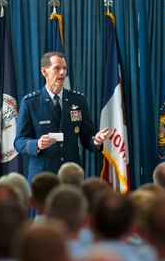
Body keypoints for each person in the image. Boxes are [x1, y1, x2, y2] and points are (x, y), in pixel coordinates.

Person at [14, 52, 109, 182]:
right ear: (44, 71)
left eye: (64, 68)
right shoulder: (30, 102)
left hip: (72, 175)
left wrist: (96, 141)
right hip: (43, 177)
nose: (63, 72)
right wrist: (37, 144)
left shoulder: (78, 100)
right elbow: (19, 142)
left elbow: (87, 136)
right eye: (57, 68)